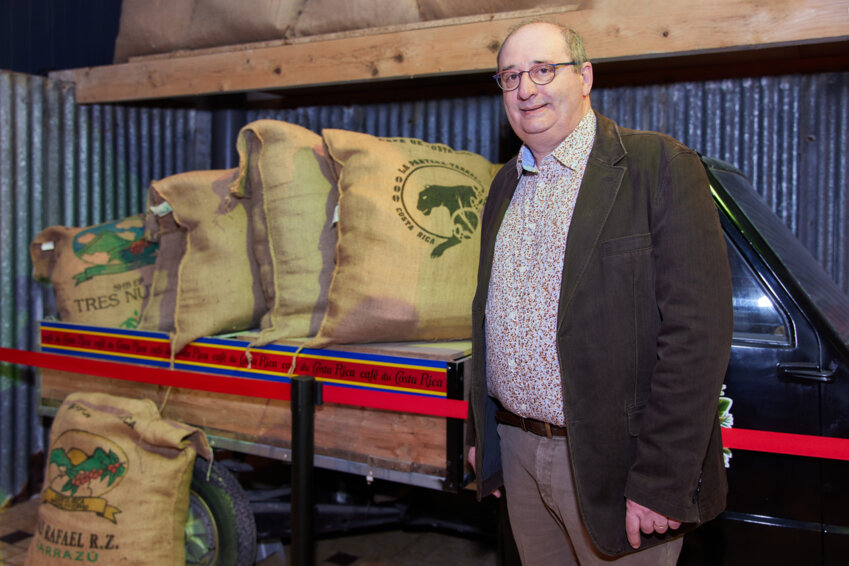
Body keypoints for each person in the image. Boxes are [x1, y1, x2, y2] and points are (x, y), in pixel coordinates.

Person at [467, 20, 734, 564]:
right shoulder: (503, 185)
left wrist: (661, 480)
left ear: (585, 76)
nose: (525, 89)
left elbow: (697, 336)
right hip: (518, 450)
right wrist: (488, 443)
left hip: (618, 464)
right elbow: (487, 317)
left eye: (544, 70)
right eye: (510, 76)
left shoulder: (658, 166)